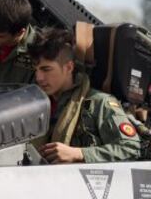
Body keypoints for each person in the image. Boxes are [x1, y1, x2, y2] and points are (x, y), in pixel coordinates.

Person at [28, 28, 142, 164]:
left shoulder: (99, 103)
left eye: (46, 69)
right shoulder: (34, 105)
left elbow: (131, 148)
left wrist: (79, 153)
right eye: (36, 70)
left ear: (69, 67)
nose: (39, 77)